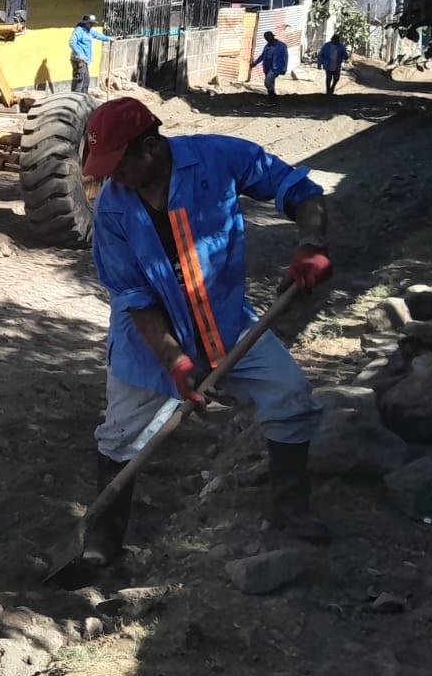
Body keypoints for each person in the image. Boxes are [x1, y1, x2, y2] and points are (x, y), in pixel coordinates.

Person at [77, 97, 333, 568]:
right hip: (148, 348)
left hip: (229, 328)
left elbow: (298, 189)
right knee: (119, 437)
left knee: (291, 394)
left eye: (120, 165)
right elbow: (134, 297)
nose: (114, 178)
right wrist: (176, 362)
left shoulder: (219, 158)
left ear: (149, 148)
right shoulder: (112, 210)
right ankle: (101, 546)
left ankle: (290, 512)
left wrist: (311, 244)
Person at [69, 14, 113, 93]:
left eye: (93, 23)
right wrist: (80, 54)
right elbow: (72, 42)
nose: (92, 25)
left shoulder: (89, 31)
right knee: (79, 80)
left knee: (86, 80)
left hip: (85, 60)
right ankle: (75, 98)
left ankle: (84, 97)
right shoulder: (79, 30)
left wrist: (109, 39)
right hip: (78, 59)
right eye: (90, 23)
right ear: (85, 23)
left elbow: (98, 35)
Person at [249, 30, 289, 99]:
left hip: (275, 68)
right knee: (271, 83)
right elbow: (262, 56)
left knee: (267, 82)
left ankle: (272, 98)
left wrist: (284, 68)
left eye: (268, 38)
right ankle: (271, 98)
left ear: (272, 37)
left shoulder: (281, 46)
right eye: (266, 38)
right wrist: (255, 63)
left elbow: (285, 57)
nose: (267, 40)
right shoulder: (267, 46)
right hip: (267, 67)